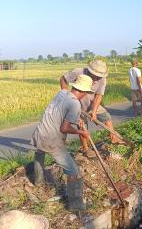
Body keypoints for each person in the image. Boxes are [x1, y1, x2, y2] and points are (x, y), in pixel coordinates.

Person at [32, 75, 93, 211]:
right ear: (84, 92)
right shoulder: (75, 103)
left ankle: (38, 182)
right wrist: (81, 132)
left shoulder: (62, 93)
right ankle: (76, 205)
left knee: (39, 153)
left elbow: (59, 113)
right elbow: (64, 128)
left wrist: (77, 120)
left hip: (40, 132)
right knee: (73, 171)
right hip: (51, 139)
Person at [60, 60, 123, 158]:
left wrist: (94, 112)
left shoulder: (102, 79)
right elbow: (63, 79)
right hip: (77, 103)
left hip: (92, 103)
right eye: (96, 76)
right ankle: (86, 149)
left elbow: (98, 96)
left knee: (107, 118)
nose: (97, 78)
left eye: (99, 76)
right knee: (82, 126)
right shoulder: (78, 72)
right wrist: (66, 95)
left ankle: (114, 138)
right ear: (90, 71)